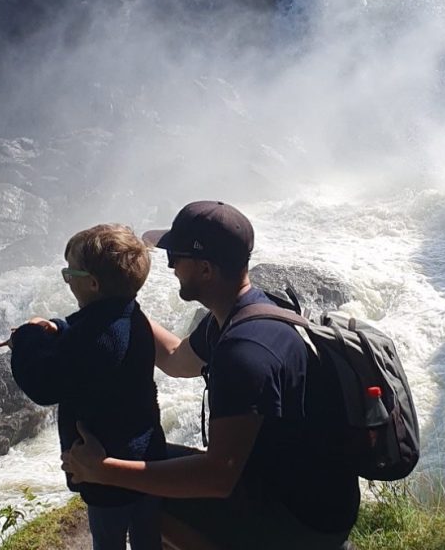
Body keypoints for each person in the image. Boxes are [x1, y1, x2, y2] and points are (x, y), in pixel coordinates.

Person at [61, 200, 360, 550]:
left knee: (142, 493)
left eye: (176, 257)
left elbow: (217, 477)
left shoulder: (244, 353)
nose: (170, 266)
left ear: (205, 269)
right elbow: (175, 358)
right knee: (142, 468)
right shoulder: (242, 312)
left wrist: (104, 470)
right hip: (303, 493)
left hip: (303, 523)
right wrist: (119, 304)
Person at [2, 223, 166, 550]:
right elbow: (86, 332)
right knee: (148, 536)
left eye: (69, 274)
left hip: (105, 467)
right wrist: (58, 327)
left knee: (108, 539)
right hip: (146, 456)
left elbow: (44, 385)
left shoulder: (97, 339)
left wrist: (27, 338)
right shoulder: (129, 317)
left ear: (92, 283)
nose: (66, 280)